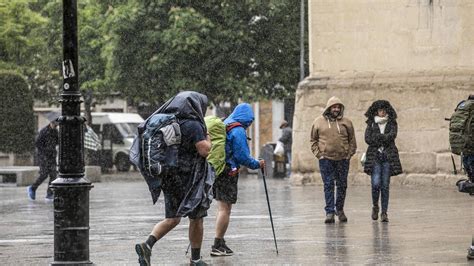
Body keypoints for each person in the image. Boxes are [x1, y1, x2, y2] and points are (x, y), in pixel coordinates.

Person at [134, 91, 212, 266]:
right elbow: (204, 150)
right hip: (190, 179)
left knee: (173, 217)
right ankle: (196, 259)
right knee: (196, 217)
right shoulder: (194, 125)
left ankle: (147, 244)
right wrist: (208, 139)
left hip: (170, 177)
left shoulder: (170, 121)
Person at [211, 103, 265, 256]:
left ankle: (220, 241)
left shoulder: (225, 123)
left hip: (219, 169)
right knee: (225, 209)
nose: (249, 124)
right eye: (250, 120)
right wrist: (257, 164)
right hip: (229, 171)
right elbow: (242, 156)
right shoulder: (237, 129)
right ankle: (217, 244)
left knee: (221, 207)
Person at [310, 96, 356, 224]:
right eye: (334, 107)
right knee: (328, 185)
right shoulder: (318, 122)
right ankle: (330, 212)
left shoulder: (347, 122)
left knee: (342, 185)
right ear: (329, 108)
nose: (336, 109)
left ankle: (340, 209)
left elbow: (352, 140)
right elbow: (313, 140)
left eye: (338, 107)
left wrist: (349, 154)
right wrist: (319, 155)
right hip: (326, 159)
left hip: (342, 159)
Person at [363, 100, 402, 223]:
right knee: (375, 184)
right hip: (375, 157)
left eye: (384, 110)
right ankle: (375, 205)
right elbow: (367, 139)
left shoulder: (392, 123)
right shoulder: (371, 123)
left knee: (385, 186)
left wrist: (379, 138)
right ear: (376, 111)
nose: (382, 112)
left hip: (387, 157)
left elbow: (392, 136)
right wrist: (382, 139)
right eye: (380, 110)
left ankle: (384, 212)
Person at [27, 112, 59, 201]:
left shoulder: (56, 132)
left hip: (52, 156)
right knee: (44, 174)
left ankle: (49, 194)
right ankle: (32, 188)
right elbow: (38, 144)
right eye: (55, 124)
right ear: (51, 122)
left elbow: (57, 142)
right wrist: (45, 151)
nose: (55, 125)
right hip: (43, 156)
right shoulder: (44, 131)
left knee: (53, 175)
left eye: (57, 124)